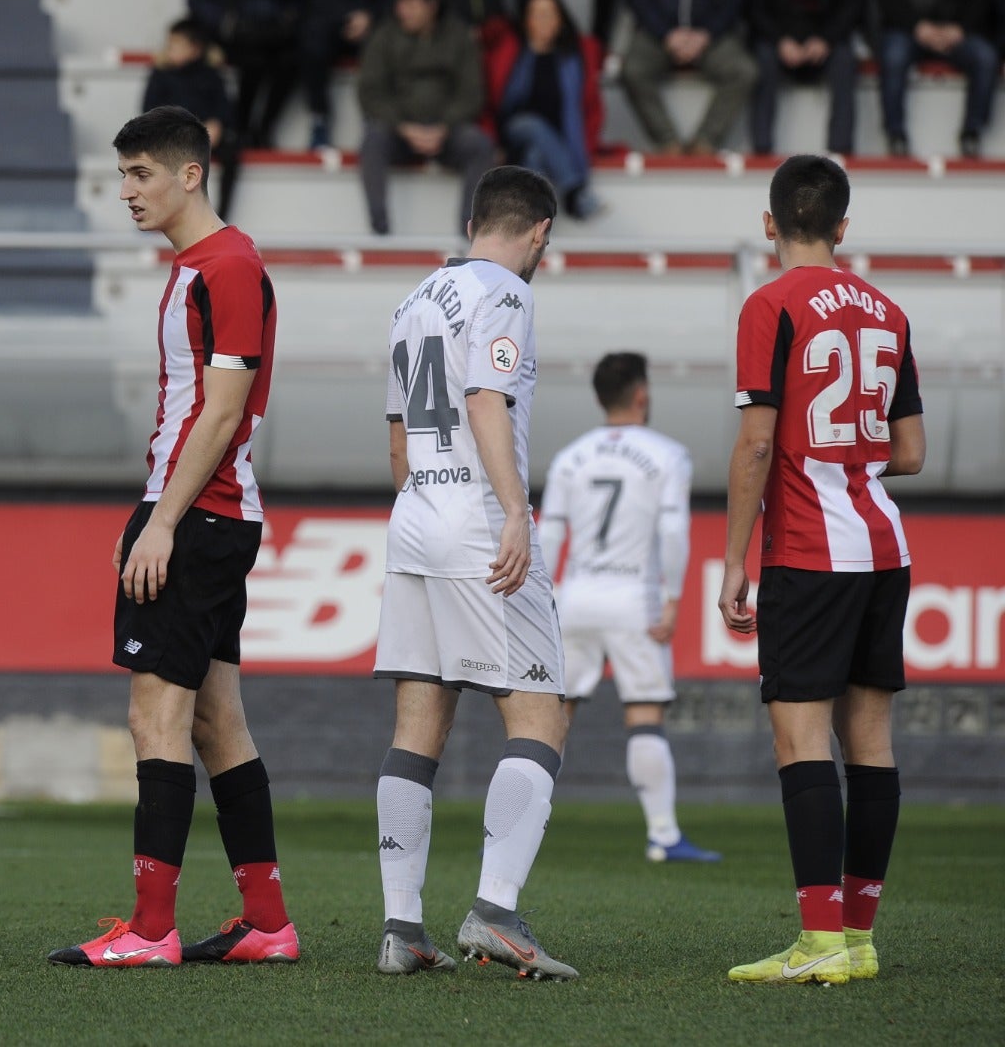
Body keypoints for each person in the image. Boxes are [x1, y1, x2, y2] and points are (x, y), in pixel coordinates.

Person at [49, 106, 297, 969]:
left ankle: (151, 931)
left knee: (155, 712)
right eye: (122, 176)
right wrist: (154, 510)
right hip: (203, 512)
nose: (128, 192)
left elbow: (223, 408)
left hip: (201, 515)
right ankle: (266, 923)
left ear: (191, 173)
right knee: (217, 720)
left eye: (143, 174)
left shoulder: (226, 265)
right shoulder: (204, 263)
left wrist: (160, 521)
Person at [719, 154, 924, 985]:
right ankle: (861, 936)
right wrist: (851, 457)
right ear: (843, 227)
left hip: (810, 550)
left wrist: (734, 558)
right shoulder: (888, 309)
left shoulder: (768, 304)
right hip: (885, 546)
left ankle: (819, 940)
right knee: (869, 740)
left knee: (800, 738)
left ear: (769, 224)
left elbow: (760, 441)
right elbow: (908, 452)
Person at [372, 165, 577, 980]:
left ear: (471, 224)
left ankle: (401, 928)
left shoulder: (412, 300)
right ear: (539, 234)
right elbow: (489, 400)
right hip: (477, 529)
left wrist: (426, 510)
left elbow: (396, 438)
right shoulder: (509, 294)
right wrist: (515, 512)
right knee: (541, 715)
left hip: (414, 520)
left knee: (417, 728)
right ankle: (494, 911)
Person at [537, 353, 721, 863]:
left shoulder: (571, 456)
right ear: (641, 393)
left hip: (573, 597)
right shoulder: (668, 454)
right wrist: (673, 598)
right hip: (633, 600)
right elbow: (672, 530)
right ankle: (663, 836)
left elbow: (549, 532)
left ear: (600, 396)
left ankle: (519, 832)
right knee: (644, 715)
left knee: (552, 717)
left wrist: (543, 598)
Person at [358, 0, 497, 235]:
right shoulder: (384, 36)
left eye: (411, 2)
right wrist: (403, 126)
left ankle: (469, 232)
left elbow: (471, 93)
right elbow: (370, 92)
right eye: (400, 2)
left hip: (447, 131)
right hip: (398, 131)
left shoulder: (459, 36)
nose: (403, 10)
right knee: (373, 140)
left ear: (431, 4)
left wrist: (444, 126)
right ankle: (380, 231)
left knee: (480, 145)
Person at [485, 0, 606, 220]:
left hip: (554, 138)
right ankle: (574, 189)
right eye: (537, 14)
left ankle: (533, 218)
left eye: (549, 14)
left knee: (535, 155)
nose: (543, 21)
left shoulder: (573, 58)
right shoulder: (512, 50)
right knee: (531, 124)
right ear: (526, 20)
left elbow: (585, 109)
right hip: (513, 130)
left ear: (560, 20)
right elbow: (495, 101)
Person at [619, 0, 756, 154]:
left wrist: (707, 34)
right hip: (656, 34)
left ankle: (705, 142)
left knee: (743, 71)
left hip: (711, 35)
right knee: (633, 70)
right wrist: (665, 34)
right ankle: (668, 143)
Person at [872, 0, 999, 158]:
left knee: (985, 57)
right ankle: (896, 134)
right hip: (909, 30)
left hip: (958, 33)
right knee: (894, 56)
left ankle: (972, 132)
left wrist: (961, 29)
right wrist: (917, 26)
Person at [141, 18, 239, 218]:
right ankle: (157, 210)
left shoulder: (211, 75)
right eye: (170, 45)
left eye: (178, 45)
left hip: (204, 137)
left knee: (232, 153)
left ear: (195, 49)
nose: (171, 50)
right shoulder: (161, 74)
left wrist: (217, 124)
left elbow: (224, 110)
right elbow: (149, 110)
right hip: (170, 137)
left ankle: (221, 216)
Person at [748, 0, 861, 157]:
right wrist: (780, 40)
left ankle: (840, 149)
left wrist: (825, 39)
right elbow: (754, 8)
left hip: (824, 41)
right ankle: (762, 149)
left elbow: (850, 5)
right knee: (763, 60)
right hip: (778, 41)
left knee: (845, 60)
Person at [187, 0, 302, 148]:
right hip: (232, 35)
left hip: (276, 33)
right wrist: (227, 23)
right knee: (253, 60)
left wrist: (287, 20)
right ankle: (241, 126)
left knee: (292, 61)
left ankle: (264, 127)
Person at [297, 0, 390, 150]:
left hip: (373, 24)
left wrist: (369, 16)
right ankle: (320, 119)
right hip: (328, 22)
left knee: (383, 48)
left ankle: (376, 121)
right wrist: (345, 17)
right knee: (312, 45)